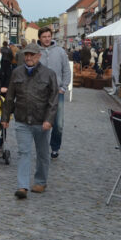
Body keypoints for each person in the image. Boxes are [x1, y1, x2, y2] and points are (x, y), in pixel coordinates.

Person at [2, 42, 58, 199]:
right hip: (22, 119)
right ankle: (23, 186)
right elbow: (10, 97)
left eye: (32, 55)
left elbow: (53, 101)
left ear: (38, 56)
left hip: (41, 121)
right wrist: (5, 117)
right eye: (26, 54)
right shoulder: (17, 73)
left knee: (42, 153)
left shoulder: (49, 74)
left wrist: (49, 120)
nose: (28, 57)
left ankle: (40, 181)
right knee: (24, 152)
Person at [36, 27, 70, 159]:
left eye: (49, 36)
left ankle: (55, 147)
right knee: (40, 122)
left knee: (58, 123)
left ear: (51, 37)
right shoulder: (36, 52)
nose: (47, 39)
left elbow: (66, 70)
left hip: (57, 92)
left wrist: (64, 87)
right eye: (44, 36)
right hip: (40, 92)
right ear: (40, 38)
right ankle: (41, 147)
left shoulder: (60, 51)